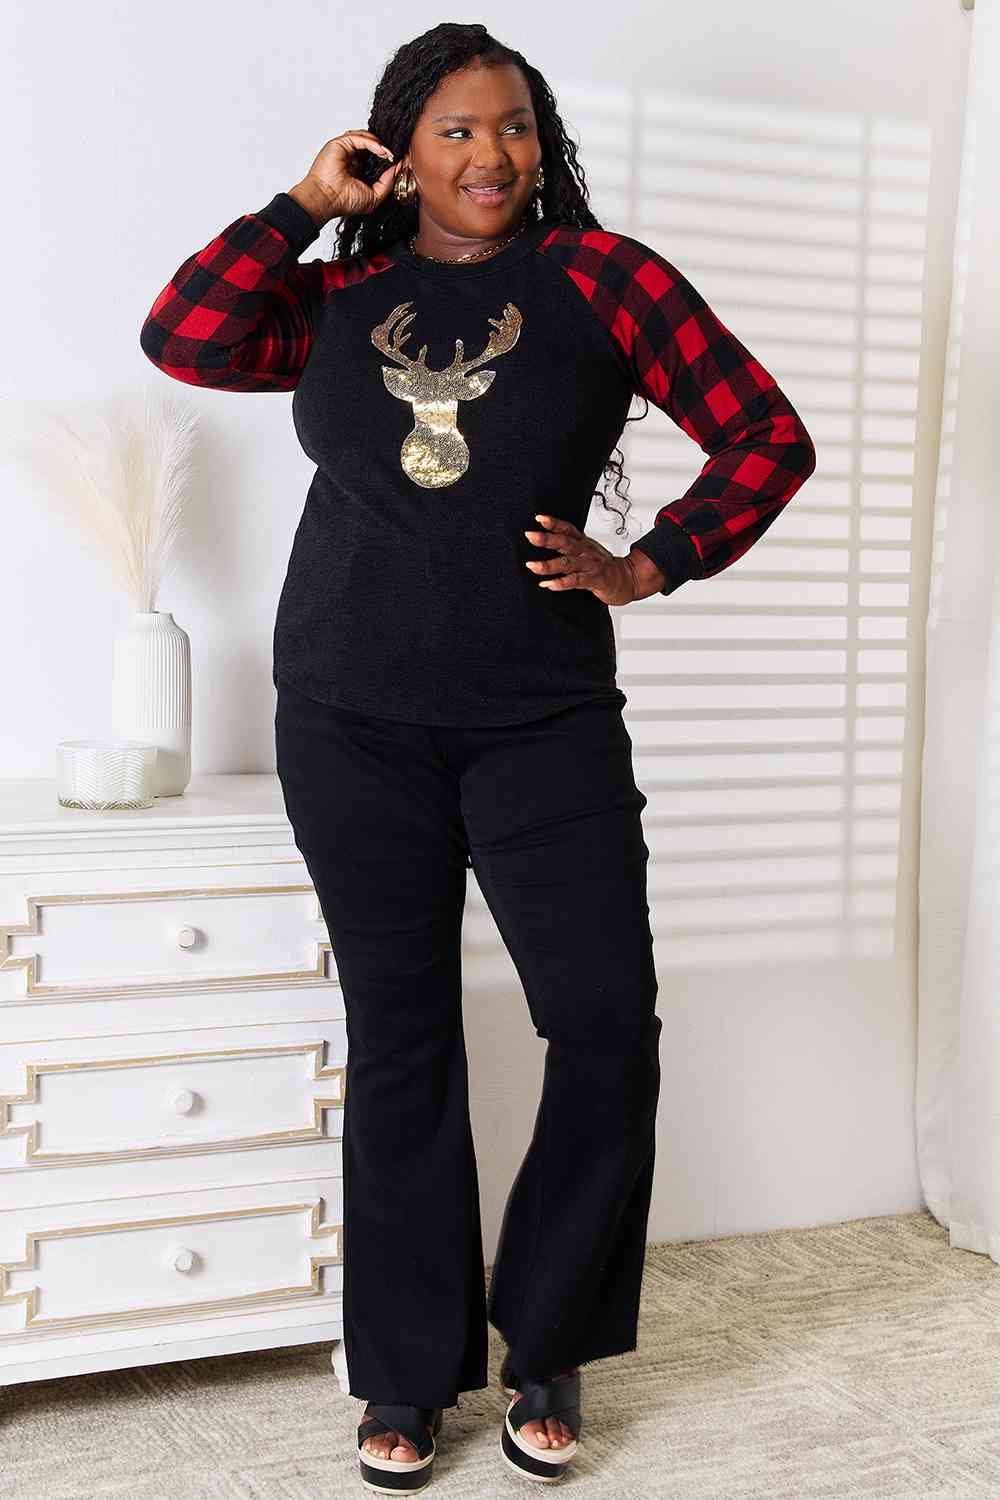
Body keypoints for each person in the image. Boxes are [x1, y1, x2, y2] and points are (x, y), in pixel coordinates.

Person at [140, 21, 816, 1491]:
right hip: (348, 715)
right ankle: (404, 1375)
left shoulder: (605, 279)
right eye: (454, 130)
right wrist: (306, 204)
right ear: (400, 149)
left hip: (542, 718)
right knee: (403, 1037)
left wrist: (648, 563)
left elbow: (766, 436)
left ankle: (550, 1341)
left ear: (542, 141)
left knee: (606, 1021)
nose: (491, 155)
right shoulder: (339, 294)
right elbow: (183, 336)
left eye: (513, 126)